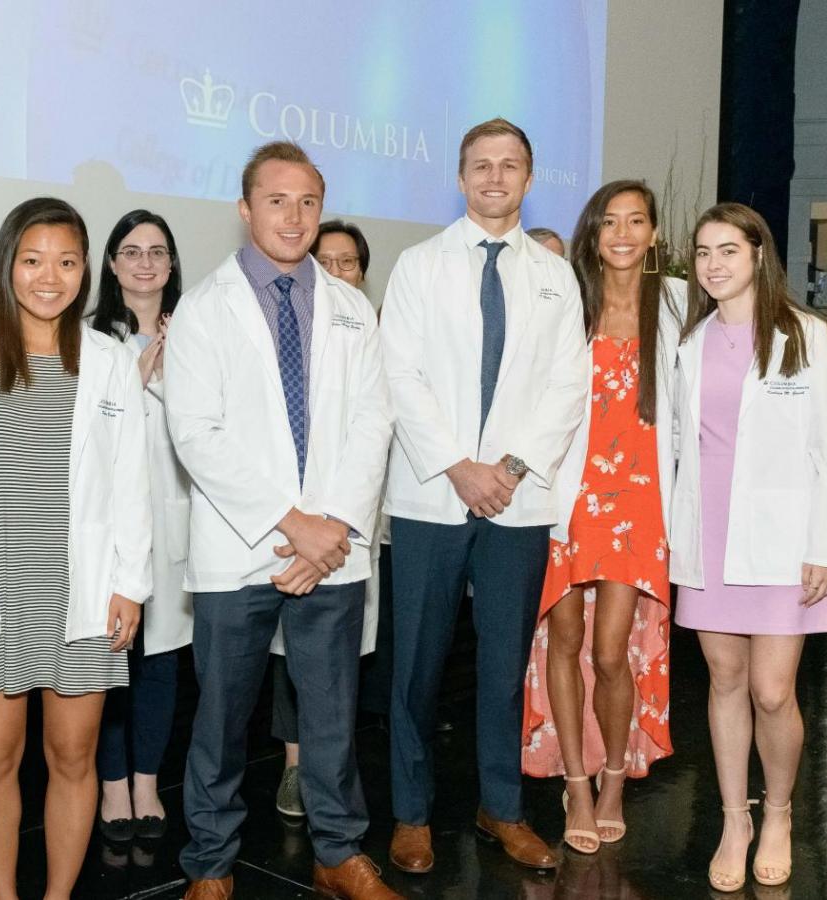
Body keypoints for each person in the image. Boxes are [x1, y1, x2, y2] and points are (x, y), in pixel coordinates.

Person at [166, 141, 397, 900]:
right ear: (244, 208)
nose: (293, 217)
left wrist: (327, 529)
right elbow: (197, 433)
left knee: (331, 716)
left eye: (307, 202)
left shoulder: (351, 308)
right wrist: (291, 523)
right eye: (276, 200)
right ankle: (210, 863)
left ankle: (339, 852)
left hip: (329, 549)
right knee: (222, 719)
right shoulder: (204, 307)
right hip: (244, 548)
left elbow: (372, 423)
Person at [379, 118, 588, 873]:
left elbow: (570, 383)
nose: (495, 178)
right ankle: (410, 815)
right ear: (461, 177)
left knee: (503, 666)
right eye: (480, 166)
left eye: (509, 166)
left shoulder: (553, 275)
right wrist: (457, 466)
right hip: (434, 496)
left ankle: (501, 808)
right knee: (417, 668)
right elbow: (399, 376)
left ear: (529, 180)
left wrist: (508, 466)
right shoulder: (418, 266)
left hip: (517, 502)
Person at [0, 197, 151, 900]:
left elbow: (131, 482)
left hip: (79, 586)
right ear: (7, 267)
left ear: (86, 271)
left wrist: (130, 585)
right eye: (32, 260)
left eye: (66, 261)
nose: (48, 277)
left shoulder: (110, 360)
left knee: (73, 754)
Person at [671, 202, 827, 892]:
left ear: (759, 256)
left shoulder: (806, 336)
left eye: (728, 250)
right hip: (709, 533)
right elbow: (685, 448)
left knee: (775, 691)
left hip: (784, 540)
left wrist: (825, 548)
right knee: (725, 681)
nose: (713, 265)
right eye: (703, 252)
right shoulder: (691, 343)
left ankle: (777, 813)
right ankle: (734, 818)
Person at [520, 180, 684, 855]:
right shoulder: (567, 303)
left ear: (652, 234)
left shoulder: (676, 304)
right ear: (592, 233)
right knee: (563, 639)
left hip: (641, 501)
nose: (622, 233)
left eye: (636, 221)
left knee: (613, 650)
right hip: (569, 496)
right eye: (609, 221)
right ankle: (579, 784)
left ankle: (617, 775)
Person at [268, 218, 387, 822]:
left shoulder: (371, 330)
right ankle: (295, 765)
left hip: (350, 530)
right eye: (328, 260)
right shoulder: (282, 327)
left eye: (349, 263)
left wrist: (337, 526)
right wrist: (309, 531)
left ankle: (332, 772)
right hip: (291, 532)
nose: (338, 271)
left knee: (344, 660)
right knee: (292, 653)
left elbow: (373, 432)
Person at [89, 209, 194, 843]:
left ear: (173, 263)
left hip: (178, 524)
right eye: (131, 251)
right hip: (108, 530)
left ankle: (148, 783)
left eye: (158, 251)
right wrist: (134, 382)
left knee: (161, 661)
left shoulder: (200, 331)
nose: (145, 262)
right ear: (111, 263)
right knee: (107, 659)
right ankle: (109, 786)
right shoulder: (86, 337)